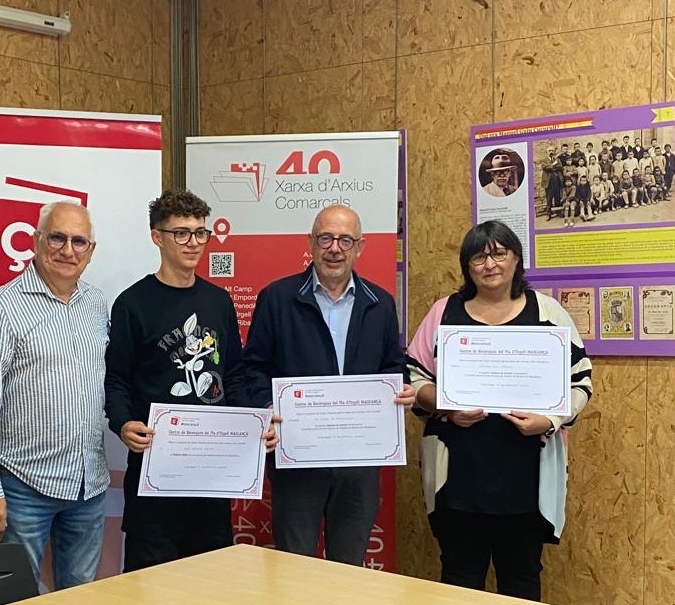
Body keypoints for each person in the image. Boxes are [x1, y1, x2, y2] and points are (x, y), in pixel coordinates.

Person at [406, 220, 592, 602]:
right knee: (459, 577)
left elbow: (580, 381)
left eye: (499, 253)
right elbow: (414, 378)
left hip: (526, 478)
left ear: (516, 259)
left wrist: (550, 420)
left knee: (521, 579)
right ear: (467, 266)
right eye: (478, 256)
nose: (489, 264)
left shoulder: (547, 312)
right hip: (458, 479)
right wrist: (446, 407)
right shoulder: (444, 312)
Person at [104, 188, 277, 572]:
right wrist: (123, 423)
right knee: (151, 583)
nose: (193, 242)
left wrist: (255, 421)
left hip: (211, 471)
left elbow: (233, 375)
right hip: (155, 470)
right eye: (181, 233)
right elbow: (116, 379)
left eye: (200, 232)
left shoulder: (218, 301)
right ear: (157, 237)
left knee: (209, 576)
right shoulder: (132, 303)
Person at [243, 205, 415, 566]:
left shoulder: (380, 303)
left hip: (359, 464)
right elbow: (254, 367)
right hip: (297, 459)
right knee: (294, 567)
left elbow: (392, 366)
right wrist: (266, 409)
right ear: (311, 242)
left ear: (360, 247)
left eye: (345, 240)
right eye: (326, 238)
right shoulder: (277, 298)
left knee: (348, 569)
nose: (335, 248)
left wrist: (401, 390)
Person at [0, 201, 109, 589]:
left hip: (89, 484)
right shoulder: (0, 308)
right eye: (57, 238)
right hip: (24, 487)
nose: (68, 250)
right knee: (21, 594)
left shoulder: (96, 304)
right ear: (36, 241)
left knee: (81, 594)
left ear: (91, 250)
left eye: (79, 241)